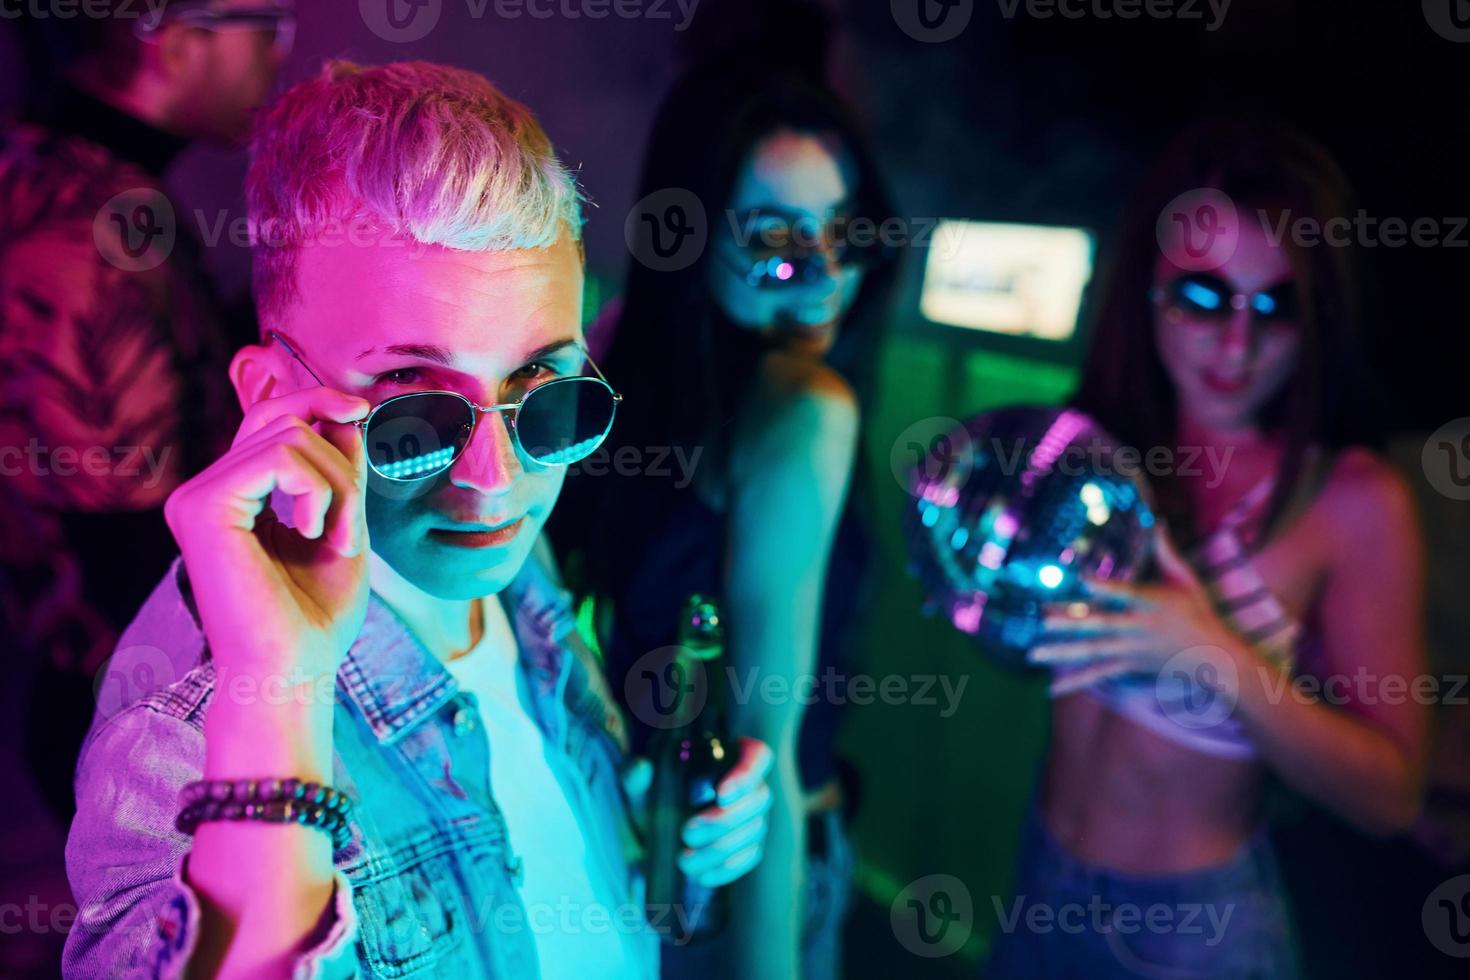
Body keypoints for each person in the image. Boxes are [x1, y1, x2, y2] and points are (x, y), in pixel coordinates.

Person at [63, 60, 773, 979]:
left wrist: (653, 834)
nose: (494, 478)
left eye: (545, 398)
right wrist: (276, 690)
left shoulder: (517, 561)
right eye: (413, 419)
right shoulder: (181, 742)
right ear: (272, 397)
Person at [985, 121, 1428, 978]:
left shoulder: (1352, 500)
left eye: (1275, 308)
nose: (1236, 345)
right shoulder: (1099, 449)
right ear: (1148, 288)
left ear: (1316, 320)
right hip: (1040, 876)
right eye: (1202, 297)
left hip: (1189, 934)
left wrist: (1213, 654)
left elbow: (1392, 795)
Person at [557, 62, 896, 980]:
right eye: (776, 243)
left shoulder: (632, 363)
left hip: (627, 850)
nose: (824, 279)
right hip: (752, 885)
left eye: (846, 231)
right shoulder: (806, 408)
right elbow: (766, 759)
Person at [1, 0, 290, 823]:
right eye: (267, 26)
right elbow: (119, 536)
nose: (276, 57)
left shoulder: (61, 171)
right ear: (163, 30)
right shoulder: (85, 225)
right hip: (131, 709)